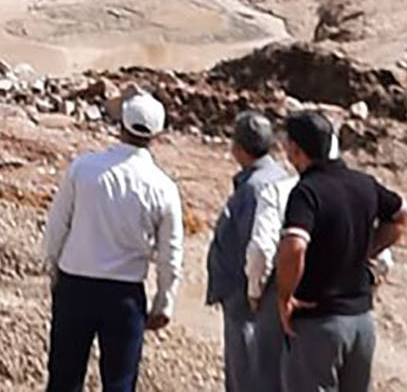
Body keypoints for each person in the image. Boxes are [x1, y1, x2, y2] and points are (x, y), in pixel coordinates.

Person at [41, 90, 184, 392]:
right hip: (124, 296)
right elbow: (170, 253)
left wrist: (52, 267)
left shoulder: (83, 168)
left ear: (121, 125)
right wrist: (164, 302)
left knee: (64, 377)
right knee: (119, 382)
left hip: (75, 284)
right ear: (157, 134)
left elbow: (57, 225)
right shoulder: (164, 187)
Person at [276, 111, 407, 392]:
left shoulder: (306, 191)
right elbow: (401, 215)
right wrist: (369, 250)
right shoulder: (364, 183)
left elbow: (295, 245)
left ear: (296, 150)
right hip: (361, 321)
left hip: (318, 323)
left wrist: (285, 296)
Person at [206, 110, 292, 392]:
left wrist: (252, 292)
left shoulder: (254, 188)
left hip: (248, 298)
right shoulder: (279, 176)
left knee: (246, 375)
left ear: (239, 148)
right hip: (260, 294)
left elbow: (257, 247)